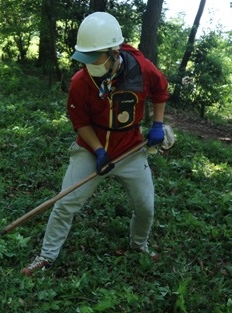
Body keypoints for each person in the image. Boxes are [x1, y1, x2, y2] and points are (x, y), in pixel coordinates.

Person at [21, 12, 169, 276]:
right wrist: (99, 151)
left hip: (131, 149)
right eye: (85, 58)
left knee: (145, 206)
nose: (89, 64)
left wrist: (157, 124)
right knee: (65, 202)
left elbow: (160, 91)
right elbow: (80, 121)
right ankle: (46, 256)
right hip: (92, 149)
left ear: (114, 52)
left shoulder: (142, 69)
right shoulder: (80, 82)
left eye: (95, 57)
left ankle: (139, 245)